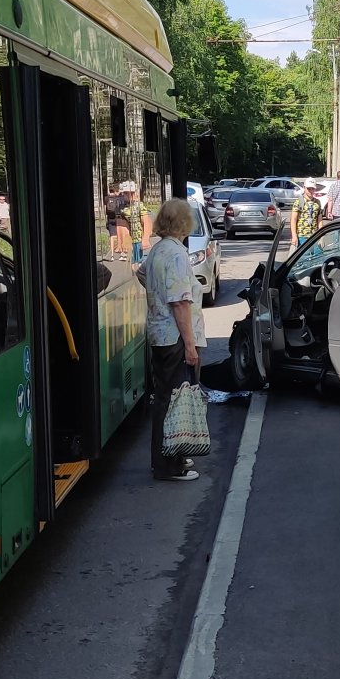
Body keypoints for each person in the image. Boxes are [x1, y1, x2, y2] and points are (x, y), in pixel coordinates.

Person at [137, 199, 204, 482]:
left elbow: (141, 274)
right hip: (174, 337)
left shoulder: (157, 251)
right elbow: (179, 303)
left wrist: (157, 298)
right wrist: (190, 345)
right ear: (184, 224)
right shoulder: (176, 255)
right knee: (174, 401)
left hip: (158, 333)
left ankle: (170, 455)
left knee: (166, 398)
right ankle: (168, 465)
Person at [290, 179, 322, 245]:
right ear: (304, 188)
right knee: (305, 255)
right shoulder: (298, 202)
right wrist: (294, 236)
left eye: (312, 189)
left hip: (315, 236)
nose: (310, 191)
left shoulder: (317, 202)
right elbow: (293, 219)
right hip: (302, 236)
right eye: (308, 189)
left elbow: (320, 220)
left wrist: (321, 236)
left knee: (318, 255)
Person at [104, 184, 122, 261]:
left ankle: (112, 256)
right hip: (117, 217)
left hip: (110, 218)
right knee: (119, 235)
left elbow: (105, 207)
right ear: (114, 190)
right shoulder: (117, 197)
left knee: (112, 237)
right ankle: (121, 254)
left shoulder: (106, 198)